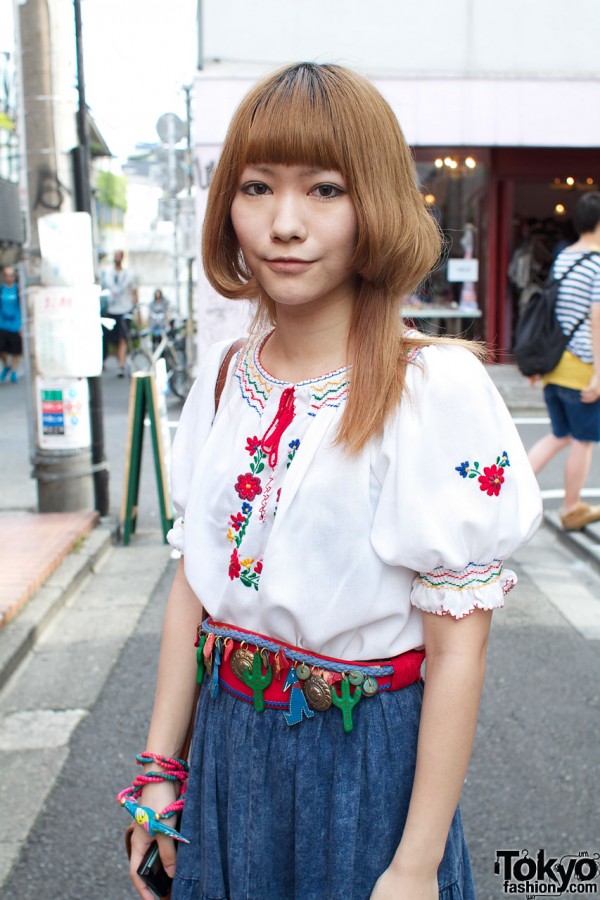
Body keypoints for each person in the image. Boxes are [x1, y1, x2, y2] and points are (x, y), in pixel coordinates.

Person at [121, 63, 542, 900]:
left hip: (364, 766)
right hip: (227, 750)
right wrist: (159, 774)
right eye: (255, 187)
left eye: (323, 189)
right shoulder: (222, 374)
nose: (284, 223)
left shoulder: (431, 389)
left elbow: (459, 649)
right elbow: (193, 587)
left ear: (375, 203)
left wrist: (416, 865)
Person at [527, 192, 600, 531]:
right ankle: (571, 506)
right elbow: (597, 320)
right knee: (582, 439)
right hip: (580, 365)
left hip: (555, 364)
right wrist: (598, 375)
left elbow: (553, 314)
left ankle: (510, 492)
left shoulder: (563, 257)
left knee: (560, 434)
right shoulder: (597, 262)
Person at [100, 249, 138, 376]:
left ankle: (121, 365)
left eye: (119, 256)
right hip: (111, 310)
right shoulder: (107, 274)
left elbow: (134, 291)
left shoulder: (129, 274)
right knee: (115, 339)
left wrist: (136, 309)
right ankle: (119, 361)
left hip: (125, 310)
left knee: (123, 338)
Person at [0, 266, 22, 383]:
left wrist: (22, 325)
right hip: (2, 324)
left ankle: (14, 370)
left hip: (15, 325)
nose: (9, 277)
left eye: (11, 275)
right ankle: (6, 366)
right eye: (6, 275)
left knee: (15, 351)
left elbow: (23, 308)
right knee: (1, 349)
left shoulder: (18, 290)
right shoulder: (1, 290)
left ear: (14, 277)